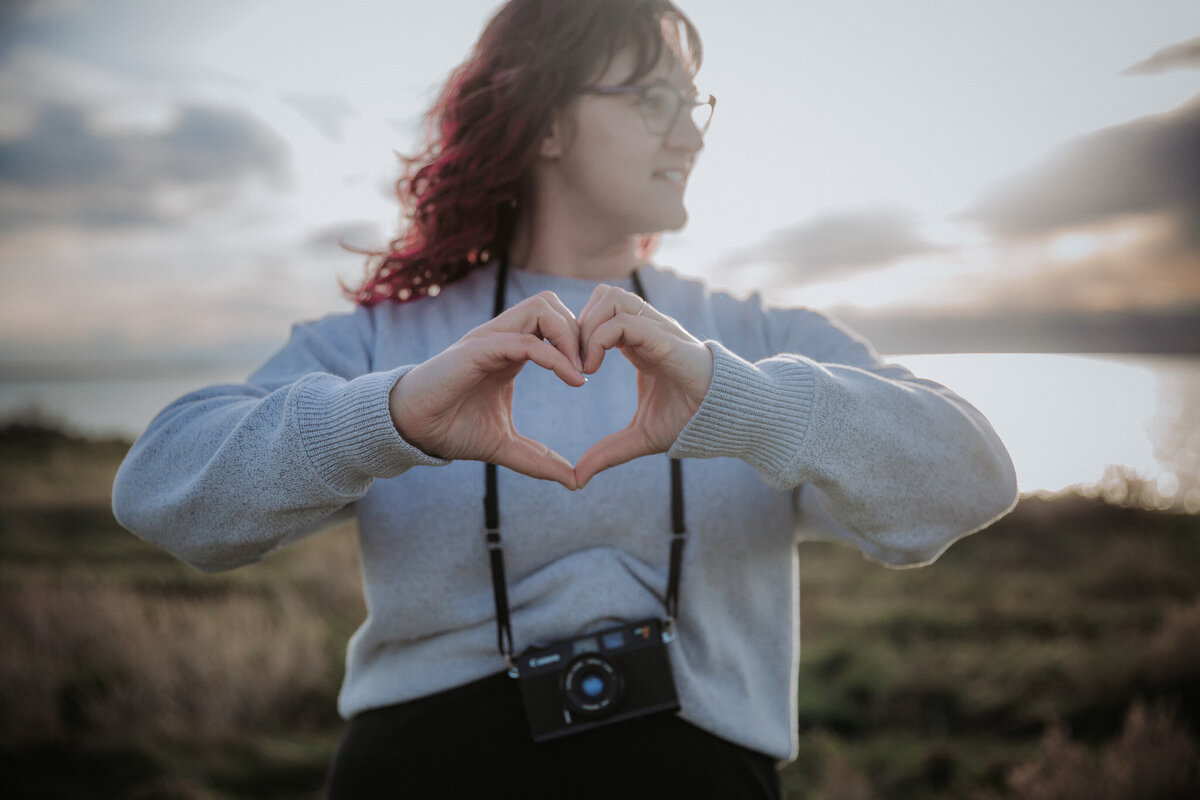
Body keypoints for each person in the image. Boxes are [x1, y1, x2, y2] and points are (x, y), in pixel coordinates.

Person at [112, 0, 1018, 796]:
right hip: (422, 774)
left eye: (693, 103)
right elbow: (162, 494)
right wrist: (386, 419)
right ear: (545, 121)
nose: (692, 136)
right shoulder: (389, 342)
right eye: (653, 100)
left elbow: (973, 477)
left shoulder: (757, 341)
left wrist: (743, 404)